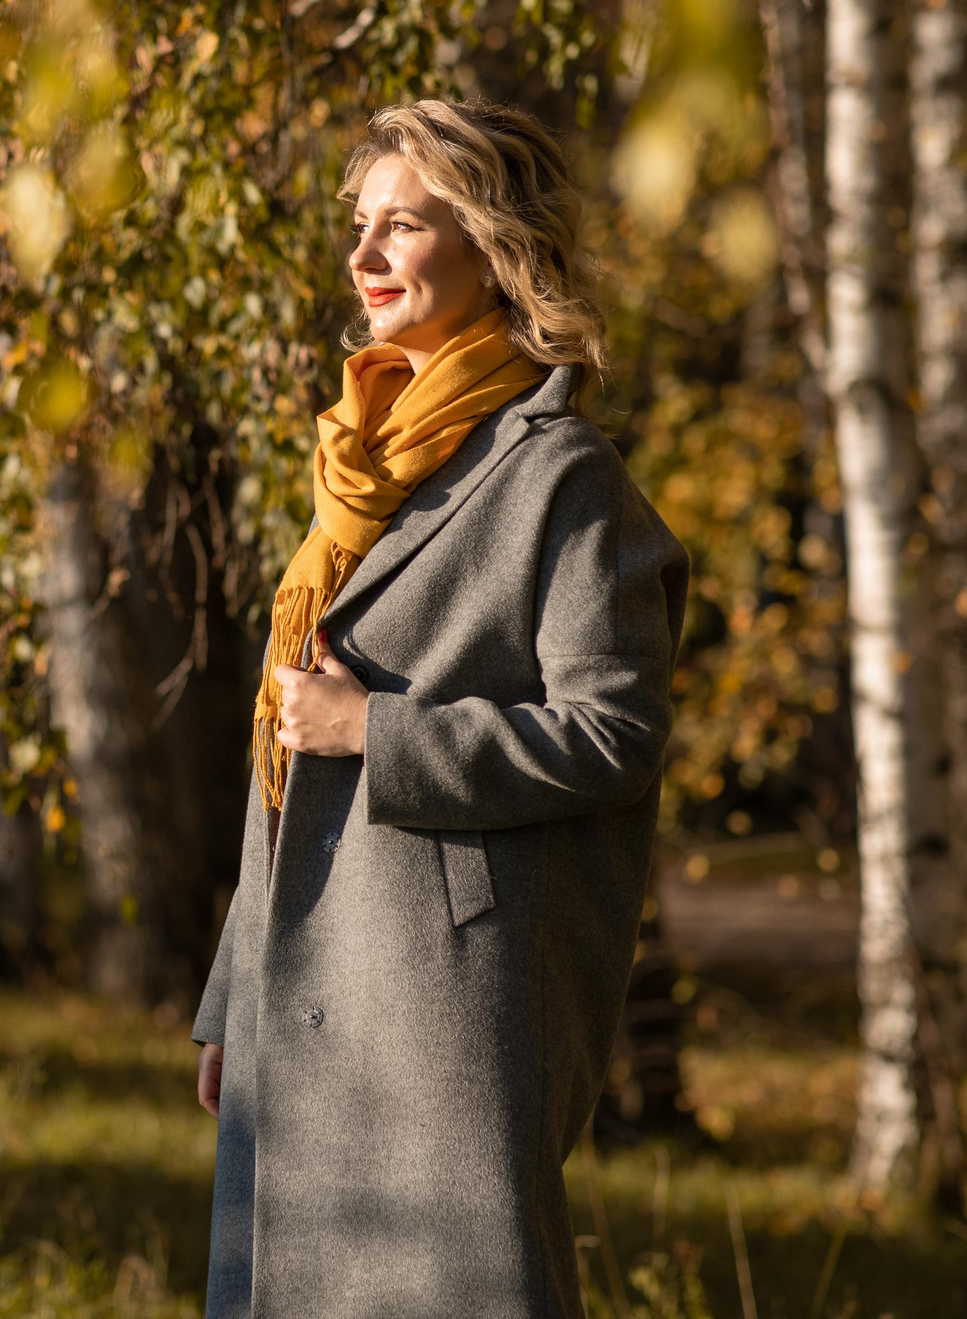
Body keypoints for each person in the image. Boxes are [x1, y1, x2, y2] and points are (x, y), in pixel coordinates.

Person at [190, 99, 689, 1318]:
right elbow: (282, 752)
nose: (361, 258)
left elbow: (614, 734)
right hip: (301, 982)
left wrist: (380, 733)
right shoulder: (357, 470)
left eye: (400, 226)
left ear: (491, 246)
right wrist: (228, 995)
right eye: (358, 225)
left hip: (441, 1002)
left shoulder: (561, 479)